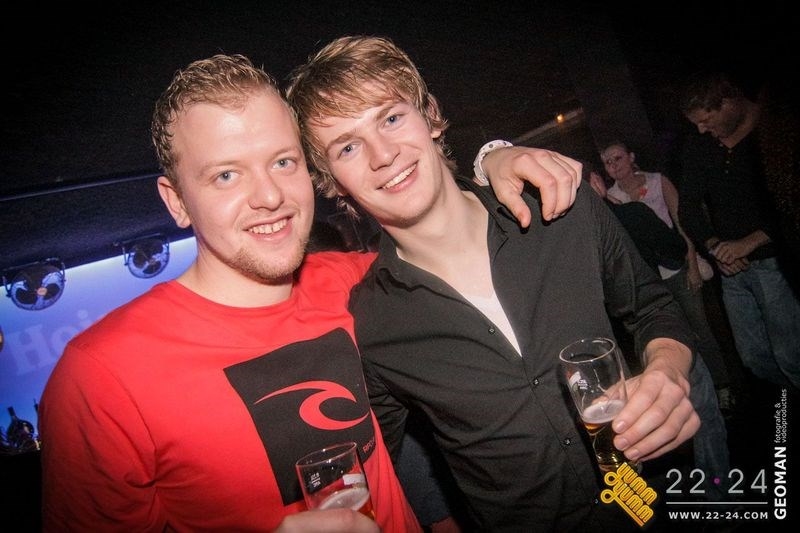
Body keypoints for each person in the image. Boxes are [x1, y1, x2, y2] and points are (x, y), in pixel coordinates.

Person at [37, 54, 583, 532]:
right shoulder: (103, 377)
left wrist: (495, 159)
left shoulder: (357, 284)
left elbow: (444, 227)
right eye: (226, 176)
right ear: (176, 201)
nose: (269, 195)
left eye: (283, 162)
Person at [286, 35, 700, 531]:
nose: (383, 155)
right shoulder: (373, 323)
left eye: (391, 118)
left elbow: (653, 307)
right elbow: (380, 467)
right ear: (333, 182)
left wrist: (668, 369)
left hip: (654, 502)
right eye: (348, 147)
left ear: (430, 116)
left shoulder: (561, 208)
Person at [587, 169, 731, 501]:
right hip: (656, 332)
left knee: (639, 439)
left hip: (620, 355)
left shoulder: (565, 244)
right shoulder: (629, 214)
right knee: (698, 410)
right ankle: (719, 497)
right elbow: (675, 247)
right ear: (595, 183)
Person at [678, 70, 800, 390]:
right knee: (753, 358)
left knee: (791, 354)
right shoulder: (700, 146)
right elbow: (688, 208)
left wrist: (751, 242)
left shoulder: (777, 130)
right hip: (731, 269)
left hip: (777, 263)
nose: (701, 129)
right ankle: (786, 407)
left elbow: (792, 204)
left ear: (729, 102)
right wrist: (715, 247)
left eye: (706, 120)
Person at [599, 142, 735, 410]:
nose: (614, 165)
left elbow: (681, 221)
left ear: (631, 157)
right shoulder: (610, 197)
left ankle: (723, 386)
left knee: (700, 328)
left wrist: (692, 264)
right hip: (649, 279)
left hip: (676, 267)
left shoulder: (657, 181)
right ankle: (689, 395)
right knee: (671, 336)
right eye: (608, 162)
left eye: (618, 158)